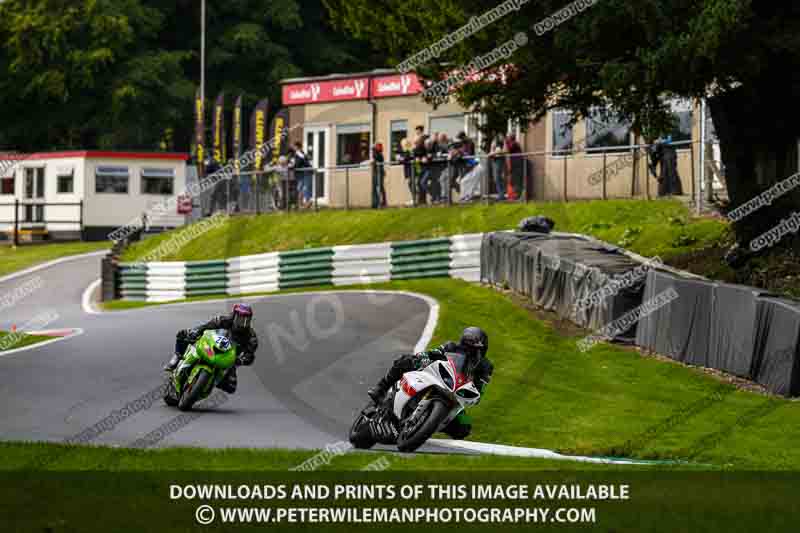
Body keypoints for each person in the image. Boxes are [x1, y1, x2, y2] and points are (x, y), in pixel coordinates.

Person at [367, 326, 494, 439]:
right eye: (467, 348)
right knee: (405, 360)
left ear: (482, 350)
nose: (470, 352)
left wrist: (475, 397)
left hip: (455, 394)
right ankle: (381, 388)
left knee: (465, 428)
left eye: (474, 350)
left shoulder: (486, 366)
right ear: (462, 343)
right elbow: (433, 353)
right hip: (436, 377)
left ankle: (430, 423)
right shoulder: (451, 346)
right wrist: (422, 357)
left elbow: (480, 387)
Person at [163, 303, 258, 394]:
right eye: (240, 319)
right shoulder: (224, 320)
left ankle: (207, 384)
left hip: (227, 360)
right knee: (183, 334)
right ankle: (176, 359)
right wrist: (196, 331)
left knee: (231, 387)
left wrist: (242, 360)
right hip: (211, 347)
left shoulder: (251, 337)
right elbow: (207, 326)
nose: (243, 323)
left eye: (246, 320)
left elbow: (250, 355)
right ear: (234, 315)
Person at [289, 142, 312, 208]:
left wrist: (292, 167)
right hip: (301, 174)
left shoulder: (299, 153)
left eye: (294, 147)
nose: (293, 148)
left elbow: (299, 163)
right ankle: (301, 204)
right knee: (299, 188)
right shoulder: (297, 154)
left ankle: (308, 202)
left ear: (297, 147)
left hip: (305, 173)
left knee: (305, 188)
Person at [505, 134, 523, 200]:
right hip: (514, 165)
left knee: (517, 180)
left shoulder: (515, 144)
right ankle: (513, 195)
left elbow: (508, 150)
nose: (508, 140)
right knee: (513, 180)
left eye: (509, 138)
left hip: (517, 165)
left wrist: (506, 142)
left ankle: (517, 196)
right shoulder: (514, 144)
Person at [490, 133, 507, 201]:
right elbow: (491, 151)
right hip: (494, 160)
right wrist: (492, 153)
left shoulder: (502, 143)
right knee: (496, 178)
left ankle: (501, 195)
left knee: (498, 178)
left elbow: (505, 151)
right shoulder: (494, 142)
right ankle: (501, 194)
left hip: (499, 161)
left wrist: (495, 153)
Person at [371, 142, 386, 208]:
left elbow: (377, 160)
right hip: (376, 172)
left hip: (379, 172)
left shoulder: (379, 155)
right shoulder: (376, 154)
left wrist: (373, 161)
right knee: (375, 188)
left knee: (380, 187)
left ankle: (381, 203)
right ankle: (375, 203)